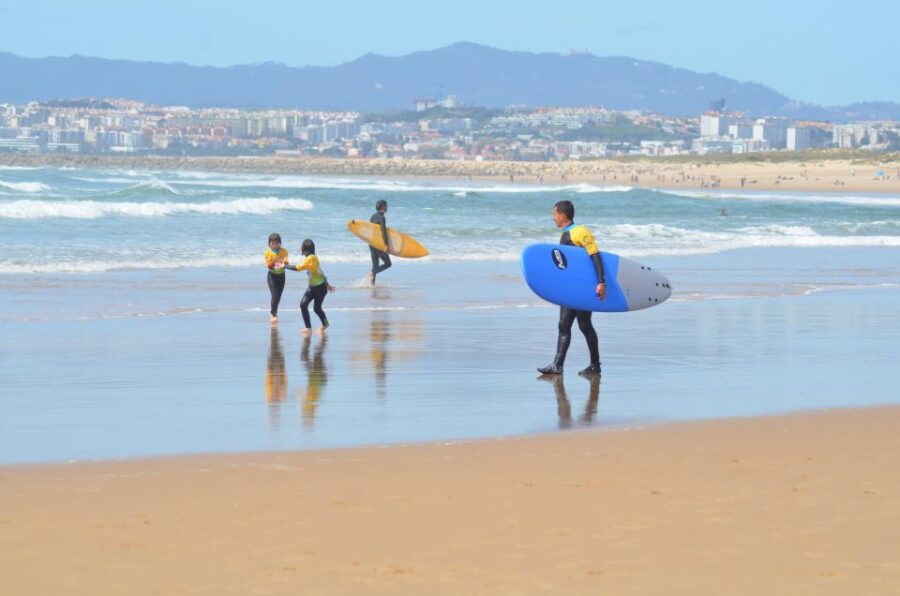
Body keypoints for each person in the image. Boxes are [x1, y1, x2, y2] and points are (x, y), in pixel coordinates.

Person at [538, 200, 605, 376]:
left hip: (580, 289)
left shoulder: (580, 232)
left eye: (554, 214)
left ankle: (592, 365)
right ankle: (560, 365)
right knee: (568, 324)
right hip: (570, 288)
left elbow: (595, 255)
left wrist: (601, 282)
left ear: (562, 215)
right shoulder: (566, 233)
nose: (553, 218)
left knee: (582, 325)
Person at [285, 239, 335, 337]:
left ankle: (325, 324)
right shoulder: (312, 257)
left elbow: (298, 268)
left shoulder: (311, 258)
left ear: (305, 249)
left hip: (320, 288)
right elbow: (320, 271)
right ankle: (308, 328)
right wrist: (328, 283)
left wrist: (284, 266)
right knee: (303, 305)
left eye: (302, 247)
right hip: (312, 287)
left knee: (317, 308)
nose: (301, 249)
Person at [264, 232, 289, 324]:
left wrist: (284, 263)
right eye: (272, 243)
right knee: (274, 295)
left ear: (280, 243)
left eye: (276, 243)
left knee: (278, 297)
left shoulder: (284, 251)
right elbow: (269, 266)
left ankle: (274, 312)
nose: (274, 245)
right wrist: (274, 260)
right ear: (269, 243)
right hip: (272, 276)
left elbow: (286, 262)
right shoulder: (267, 252)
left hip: (282, 276)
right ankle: (273, 314)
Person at [368, 199, 392, 285]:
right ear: (383, 206)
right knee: (388, 263)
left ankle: (372, 286)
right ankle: (372, 272)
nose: (387, 207)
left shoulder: (373, 216)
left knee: (375, 265)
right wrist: (386, 245)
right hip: (378, 245)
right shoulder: (382, 217)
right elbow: (383, 231)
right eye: (386, 205)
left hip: (371, 243)